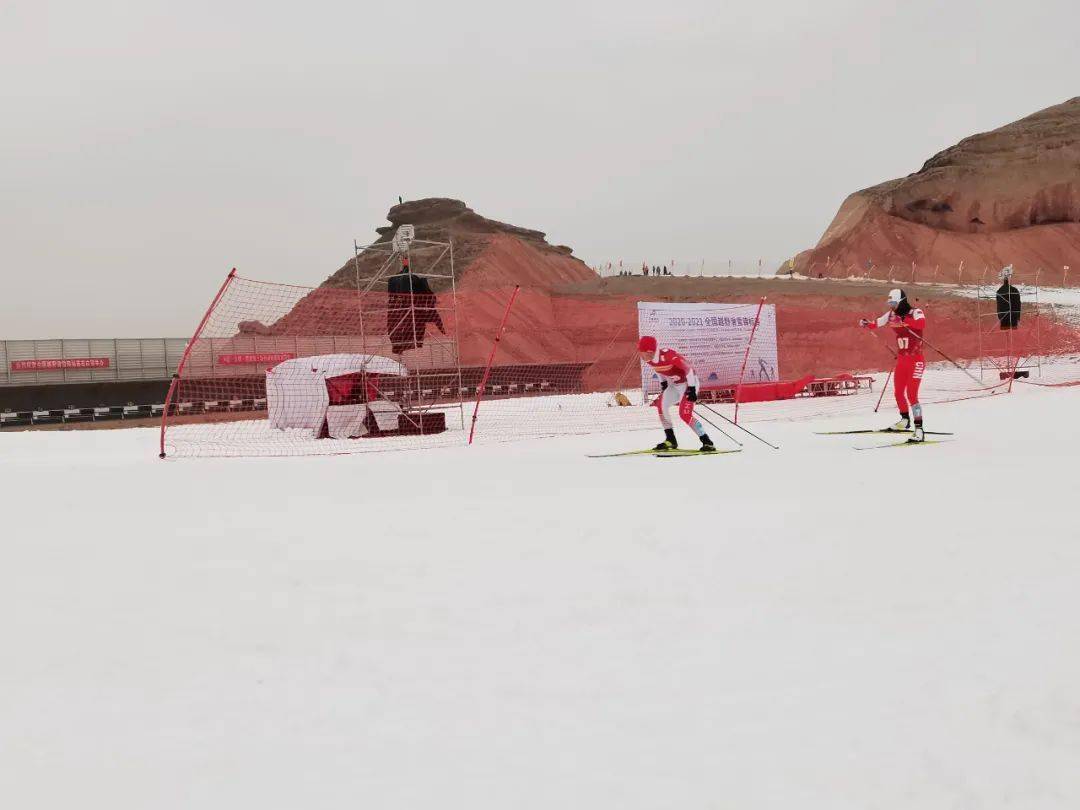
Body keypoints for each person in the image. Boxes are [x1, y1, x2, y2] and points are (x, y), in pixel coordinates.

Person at [860, 288, 927, 441]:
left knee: (912, 395)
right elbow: (876, 323)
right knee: (898, 392)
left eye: (893, 303)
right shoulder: (890, 315)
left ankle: (919, 430)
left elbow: (921, 324)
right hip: (902, 361)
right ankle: (904, 421)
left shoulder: (915, 312)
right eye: (889, 303)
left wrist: (904, 321)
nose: (891, 306)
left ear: (901, 302)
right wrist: (866, 324)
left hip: (916, 360)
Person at [637, 335, 715, 451]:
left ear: (650, 351)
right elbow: (658, 370)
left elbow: (688, 369)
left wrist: (692, 389)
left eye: (642, 352)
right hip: (675, 385)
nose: (640, 355)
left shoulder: (668, 356)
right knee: (661, 406)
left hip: (689, 383)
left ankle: (707, 441)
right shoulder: (649, 359)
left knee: (685, 414)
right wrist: (663, 384)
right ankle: (670, 440)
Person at [387, 256, 445, 355]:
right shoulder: (415, 283)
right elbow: (431, 307)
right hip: (411, 313)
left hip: (404, 313)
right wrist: (441, 327)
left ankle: (401, 345)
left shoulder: (394, 282)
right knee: (410, 324)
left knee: (402, 324)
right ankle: (404, 344)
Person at [996, 265, 1022, 329]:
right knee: (1011, 333)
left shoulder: (999, 291)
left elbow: (999, 306)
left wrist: (1000, 317)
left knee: (1006, 333)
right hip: (1013, 317)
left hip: (1004, 318)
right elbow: (1018, 305)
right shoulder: (1014, 290)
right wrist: (1018, 317)